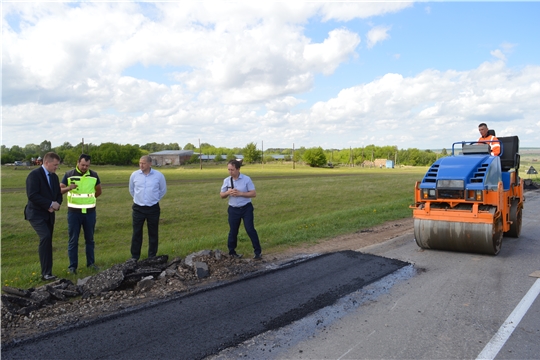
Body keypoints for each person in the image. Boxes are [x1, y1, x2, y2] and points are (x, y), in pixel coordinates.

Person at [60, 154, 102, 274]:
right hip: (74, 213)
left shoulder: (94, 175)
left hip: (90, 213)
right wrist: (69, 188)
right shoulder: (68, 174)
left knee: (90, 239)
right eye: (83, 165)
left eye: (87, 165)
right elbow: (60, 190)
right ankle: (72, 266)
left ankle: (91, 264)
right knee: (73, 240)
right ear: (78, 162)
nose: (85, 167)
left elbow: (98, 191)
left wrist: (90, 200)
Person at [25, 152, 63, 281]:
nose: (56, 167)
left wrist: (57, 204)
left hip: (49, 215)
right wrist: (49, 204)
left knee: (48, 242)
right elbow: (32, 195)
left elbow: (58, 194)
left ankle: (48, 273)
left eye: (57, 165)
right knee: (45, 236)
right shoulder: (34, 175)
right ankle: (45, 273)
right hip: (35, 213)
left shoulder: (54, 177)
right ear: (46, 163)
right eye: (55, 165)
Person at [220, 160, 262, 260]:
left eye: (232, 170)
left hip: (246, 208)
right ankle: (232, 252)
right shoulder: (227, 181)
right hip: (233, 209)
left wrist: (241, 194)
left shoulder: (246, 179)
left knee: (250, 229)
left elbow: (253, 194)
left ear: (238, 169)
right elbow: (221, 195)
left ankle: (257, 252)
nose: (230, 172)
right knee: (233, 231)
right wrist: (228, 192)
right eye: (229, 169)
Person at [129, 155, 167, 260]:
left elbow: (162, 190)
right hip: (138, 208)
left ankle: (152, 257)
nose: (141, 165)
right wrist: (140, 199)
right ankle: (135, 257)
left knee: (153, 233)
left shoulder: (158, 176)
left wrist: (153, 199)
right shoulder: (134, 175)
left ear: (150, 164)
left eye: (144, 163)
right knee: (136, 233)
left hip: (153, 208)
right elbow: (132, 190)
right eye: (140, 163)